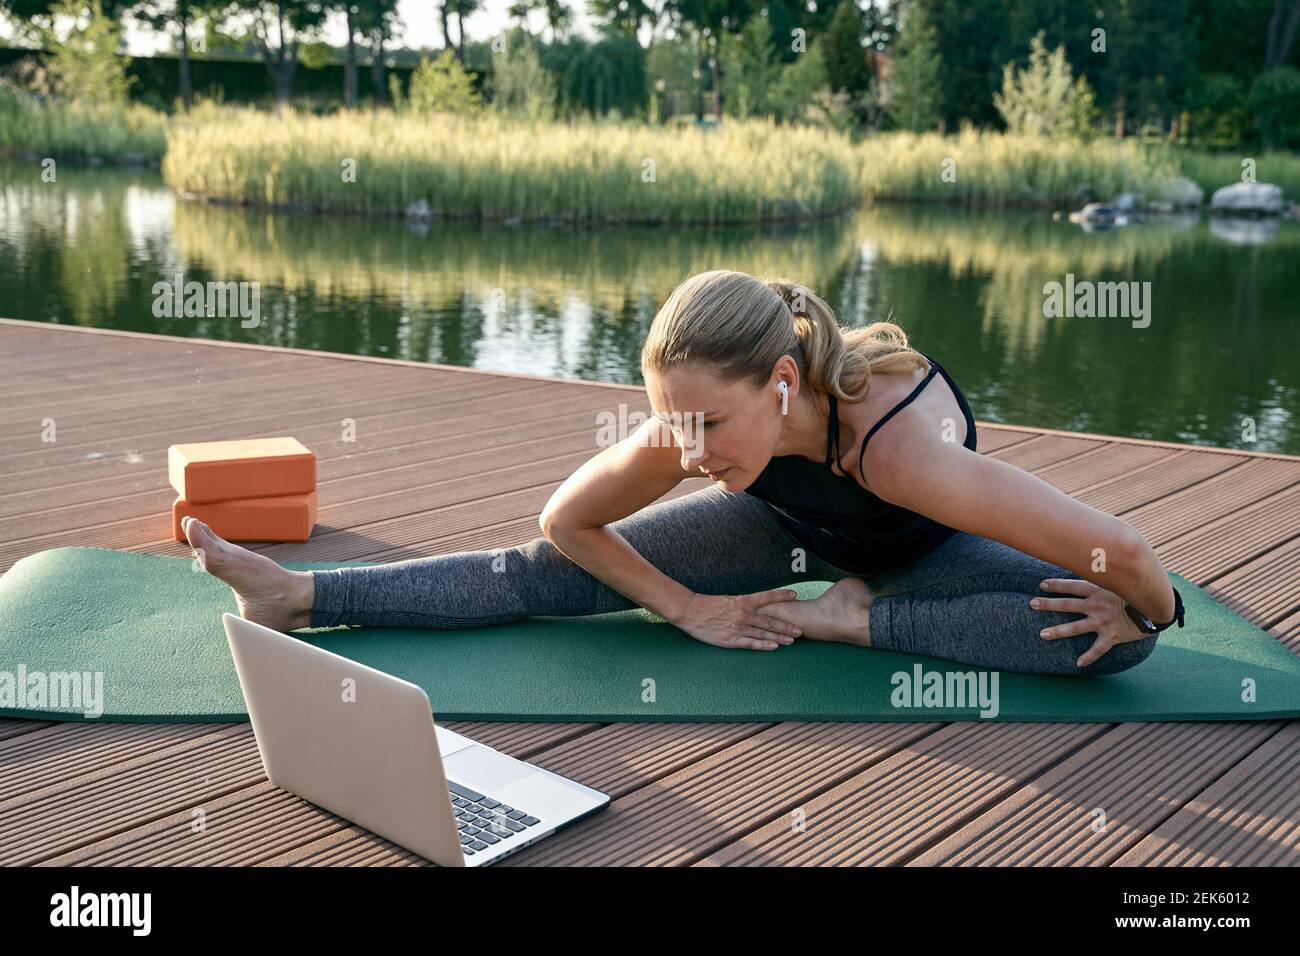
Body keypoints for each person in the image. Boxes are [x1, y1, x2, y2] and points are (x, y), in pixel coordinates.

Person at [183, 269, 1183, 676]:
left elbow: (1124, 549)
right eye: (672, 424)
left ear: (783, 383)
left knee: (1117, 652)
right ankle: (299, 594)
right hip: (785, 533)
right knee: (543, 573)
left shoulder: (896, 447)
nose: (688, 452)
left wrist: (1147, 607)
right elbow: (566, 521)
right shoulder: (696, 420)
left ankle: (854, 615)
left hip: (922, 549)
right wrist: (680, 604)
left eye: (706, 424)